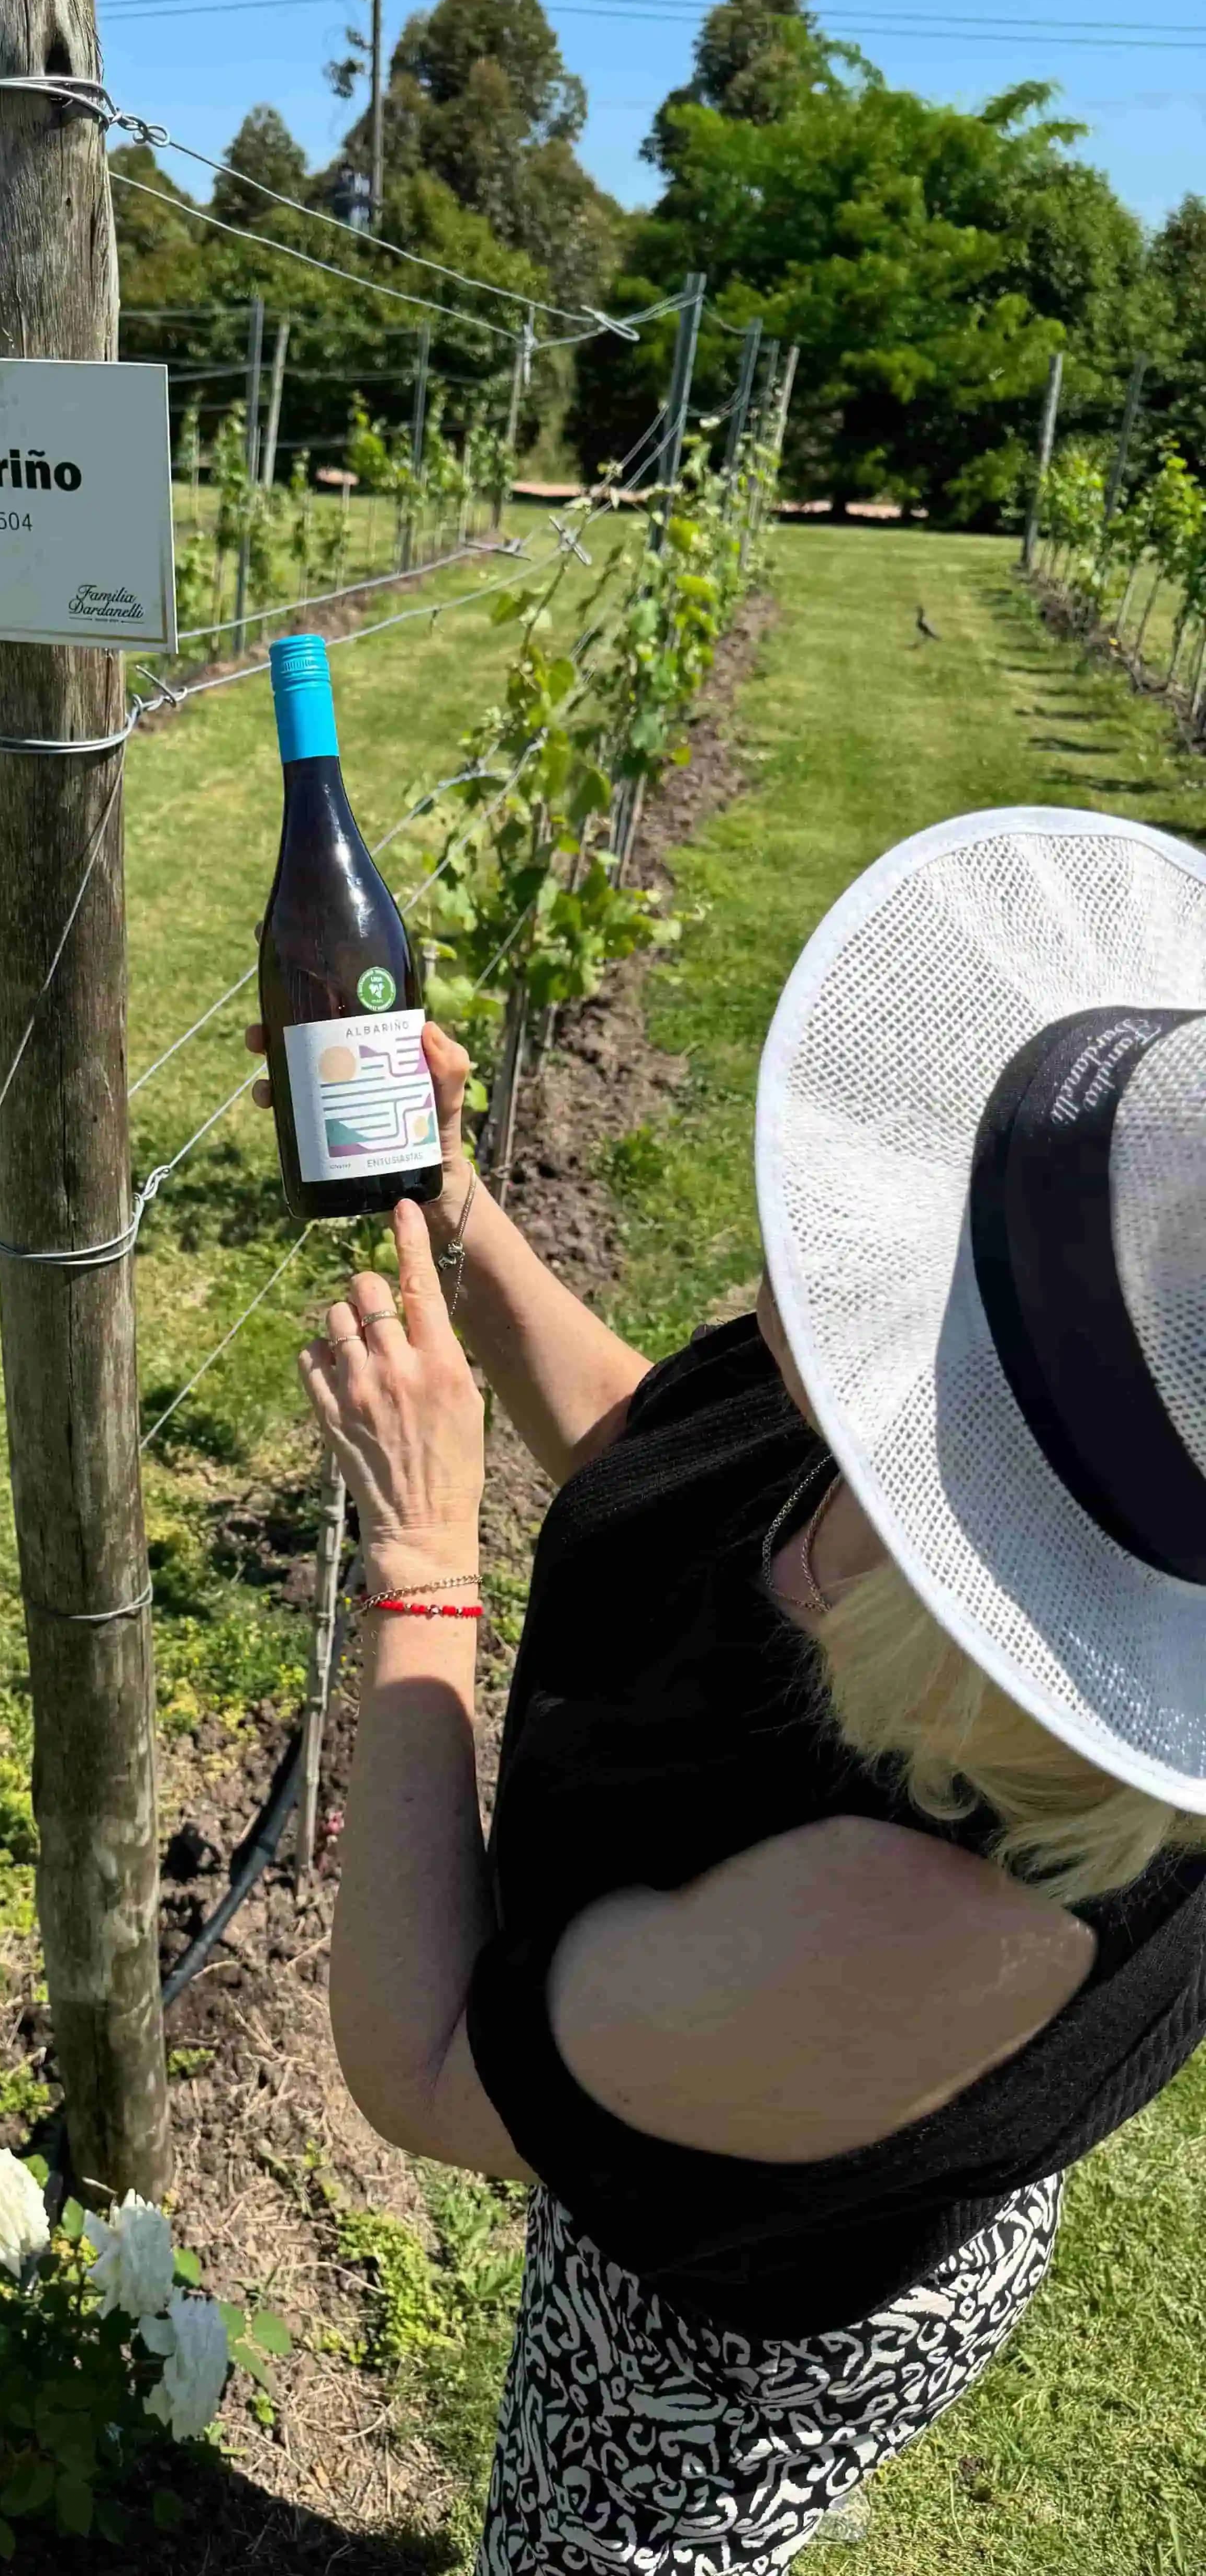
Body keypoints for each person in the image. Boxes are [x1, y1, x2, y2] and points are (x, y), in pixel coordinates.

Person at [250, 807, 1206, 2573]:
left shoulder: (927, 1917)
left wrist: (424, 1572)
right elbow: (653, 1460)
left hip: (741, 2314)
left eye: (923, 1234)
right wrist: (441, 1193)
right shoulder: (979, 1429)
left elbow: (440, 2071)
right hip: (722, 2054)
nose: (854, 1207)